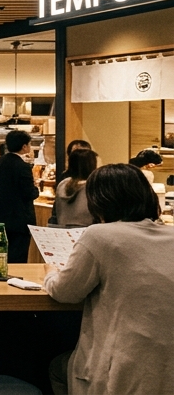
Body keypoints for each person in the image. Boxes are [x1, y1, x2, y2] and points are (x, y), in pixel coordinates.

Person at [44, 163, 174, 394]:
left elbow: (65, 292)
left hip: (122, 371)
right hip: (166, 370)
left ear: (98, 200)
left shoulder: (100, 236)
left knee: (56, 367)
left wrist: (50, 272)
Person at [0, 130, 40, 264]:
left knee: (0, 254)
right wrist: (36, 188)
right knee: (17, 257)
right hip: (18, 219)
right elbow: (29, 193)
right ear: (24, 146)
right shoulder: (23, 166)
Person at [51, 147, 98, 227]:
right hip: (85, 232)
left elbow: (54, 214)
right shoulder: (93, 186)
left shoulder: (63, 184)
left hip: (63, 231)